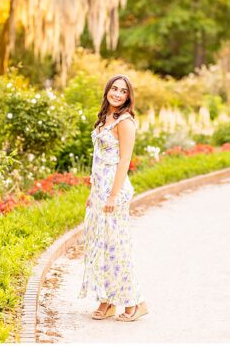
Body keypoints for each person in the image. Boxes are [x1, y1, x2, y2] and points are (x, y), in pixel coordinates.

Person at [81, 74, 148, 322]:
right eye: (114, 88)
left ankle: (136, 303)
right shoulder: (104, 119)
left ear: (128, 96)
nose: (117, 94)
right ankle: (107, 301)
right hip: (100, 191)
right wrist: (93, 193)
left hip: (115, 191)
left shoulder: (125, 122)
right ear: (107, 90)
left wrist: (112, 195)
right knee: (102, 249)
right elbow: (98, 160)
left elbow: (124, 162)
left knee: (117, 249)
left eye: (123, 91)